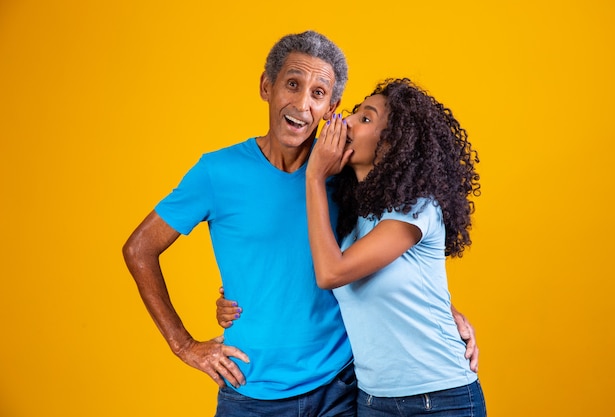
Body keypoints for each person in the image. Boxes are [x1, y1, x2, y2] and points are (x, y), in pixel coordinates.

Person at [123, 30, 477, 416]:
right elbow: (139, 248)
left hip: (342, 388)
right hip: (249, 390)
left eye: (318, 93)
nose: (302, 104)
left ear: (332, 106)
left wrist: (447, 312)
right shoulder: (216, 172)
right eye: (292, 84)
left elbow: (390, 257)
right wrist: (184, 344)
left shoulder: (344, 177)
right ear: (266, 86)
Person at [306, 78, 486, 416]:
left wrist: (314, 177)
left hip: (440, 399)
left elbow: (332, 273)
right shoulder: (349, 217)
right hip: (373, 400)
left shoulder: (417, 207)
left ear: (392, 145)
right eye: (355, 113)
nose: (346, 122)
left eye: (366, 119)